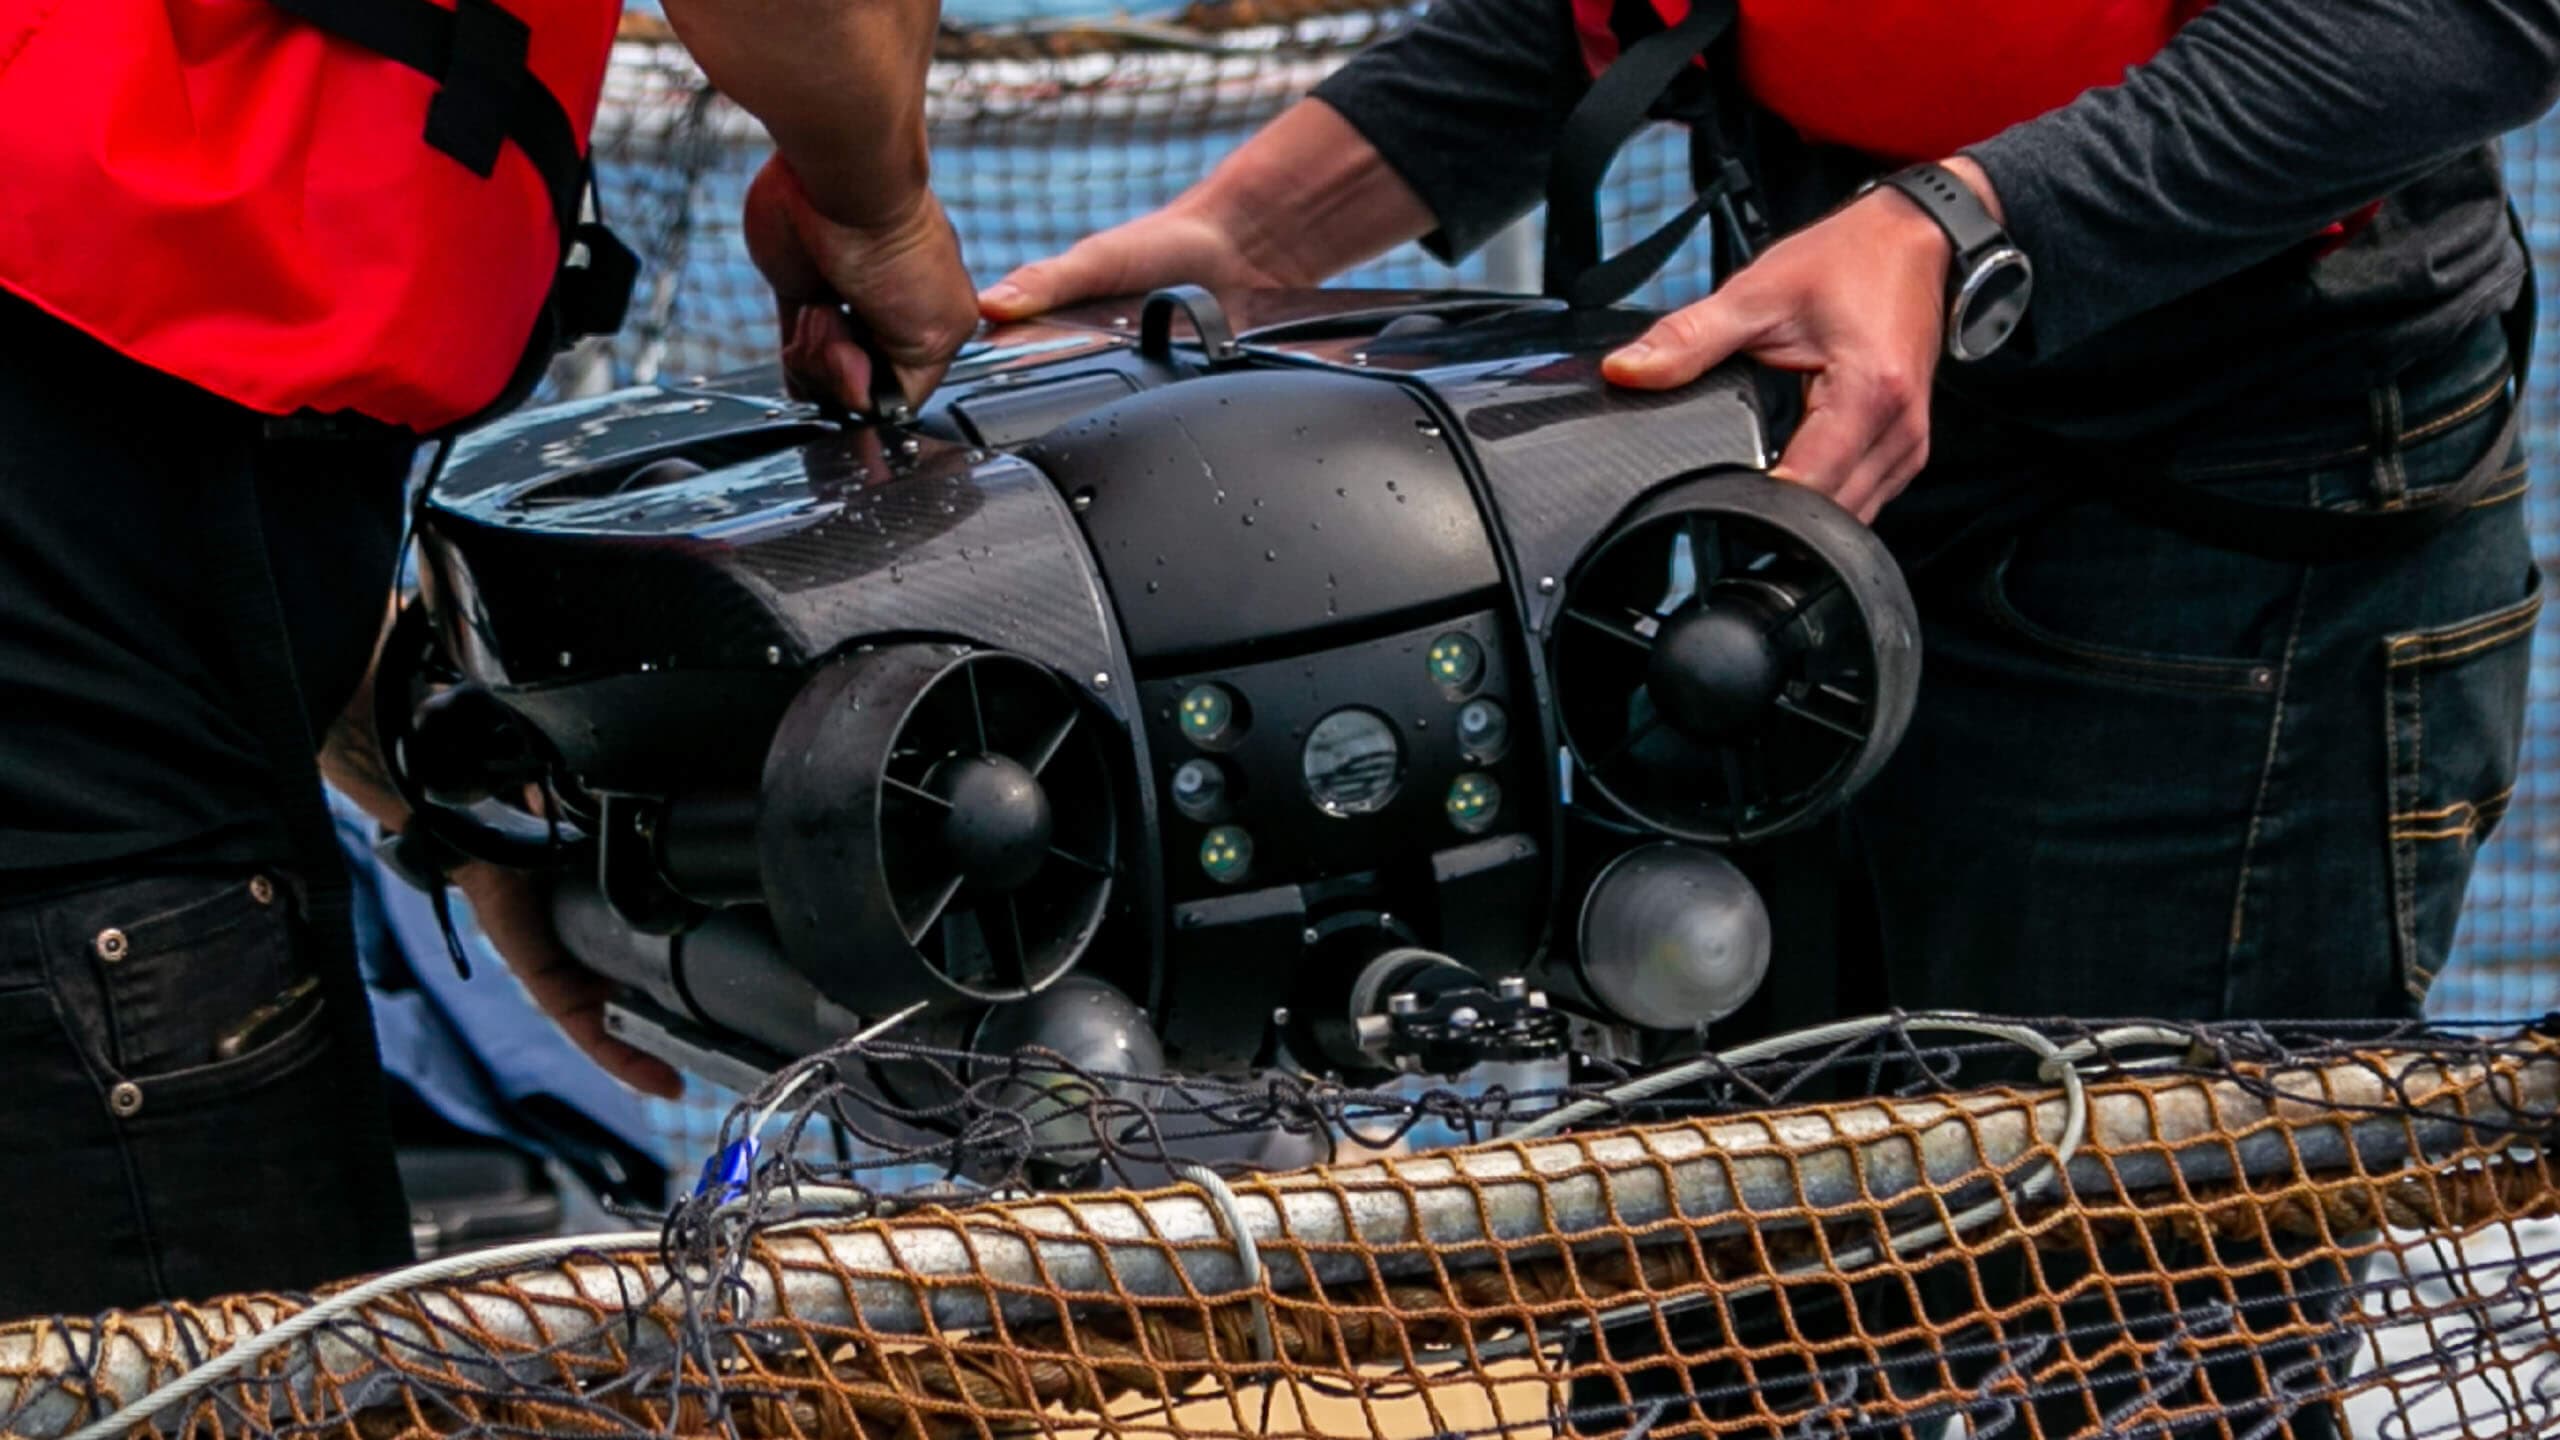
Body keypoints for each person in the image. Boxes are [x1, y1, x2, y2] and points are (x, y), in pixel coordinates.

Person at [979, 0, 2560, 1431]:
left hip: (2226, 532)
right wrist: (1246, 228)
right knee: (1712, 1309)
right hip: (1803, 480)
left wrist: (1952, 228)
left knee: (2125, 1339)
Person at [0, 0, 976, 1316]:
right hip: (96, 828)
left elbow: (123, 499)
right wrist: (880, 205)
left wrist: (442, 792)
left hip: (129, 650)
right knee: (235, 1385)